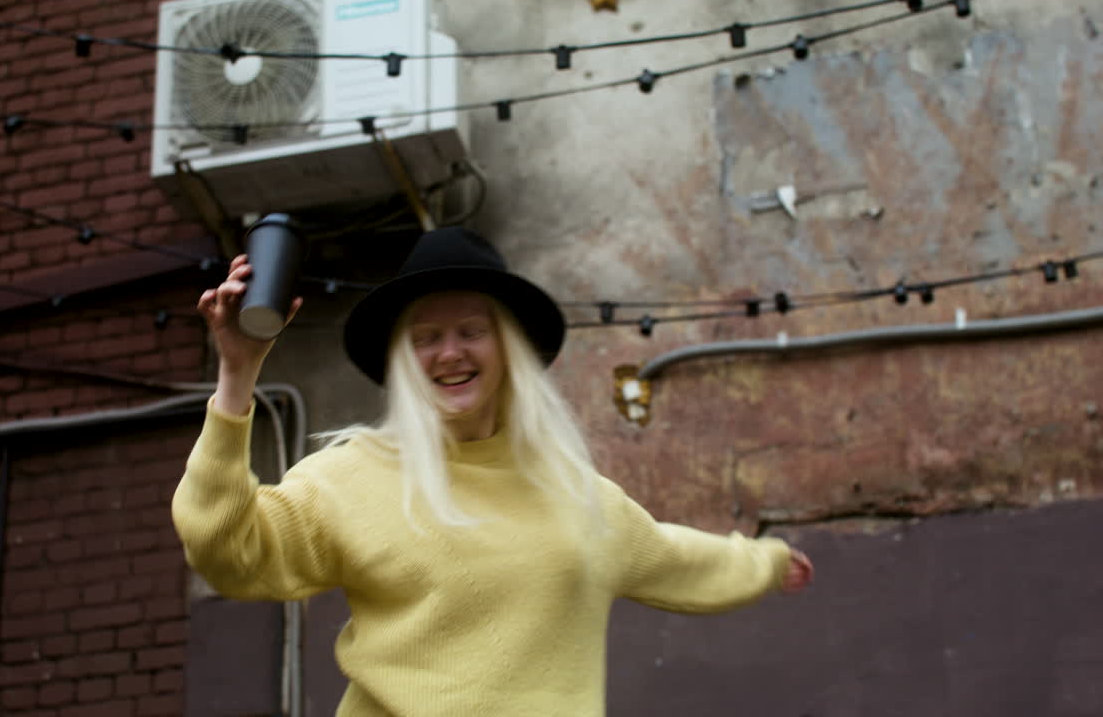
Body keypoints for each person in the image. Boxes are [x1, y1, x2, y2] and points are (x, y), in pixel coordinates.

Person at [172, 226, 814, 717]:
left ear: (507, 348)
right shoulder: (353, 478)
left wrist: (764, 562)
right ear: (403, 360)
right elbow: (227, 549)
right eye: (425, 337)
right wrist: (238, 374)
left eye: (470, 330)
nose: (449, 353)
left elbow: (672, 555)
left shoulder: (578, 500)